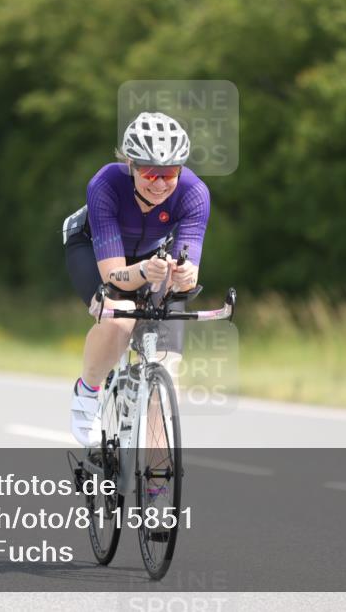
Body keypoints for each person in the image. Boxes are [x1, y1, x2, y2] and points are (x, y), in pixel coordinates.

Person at [63, 112, 210, 447]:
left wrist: (184, 277)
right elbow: (113, 275)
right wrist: (144, 272)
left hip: (152, 258)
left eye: (170, 172)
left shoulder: (194, 193)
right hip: (93, 250)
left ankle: (157, 481)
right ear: (130, 163)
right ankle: (88, 391)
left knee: (168, 366)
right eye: (149, 171)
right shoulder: (105, 185)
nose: (159, 183)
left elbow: (188, 274)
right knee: (118, 318)